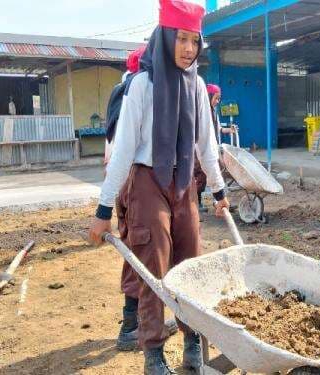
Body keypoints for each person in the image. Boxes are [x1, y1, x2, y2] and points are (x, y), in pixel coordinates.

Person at [88, 0, 230, 373]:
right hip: (148, 182)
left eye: (194, 41)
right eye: (180, 39)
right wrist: (104, 210)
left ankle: (192, 346)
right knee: (153, 271)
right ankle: (153, 353)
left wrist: (218, 192)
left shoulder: (197, 85)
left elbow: (206, 145)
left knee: (191, 268)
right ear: (165, 38)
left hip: (183, 184)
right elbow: (122, 153)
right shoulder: (143, 85)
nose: (187, 48)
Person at [194, 83, 237, 212]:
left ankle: (218, 200)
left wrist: (230, 130)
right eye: (216, 98)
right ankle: (197, 203)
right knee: (201, 177)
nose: (218, 101)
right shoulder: (201, 111)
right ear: (208, 96)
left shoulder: (213, 112)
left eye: (219, 98)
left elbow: (219, 129)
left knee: (216, 173)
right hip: (199, 150)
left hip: (211, 149)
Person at [104, 45, 146, 166]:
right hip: (136, 162)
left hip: (117, 155)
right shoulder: (141, 87)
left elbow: (111, 124)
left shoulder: (118, 88)